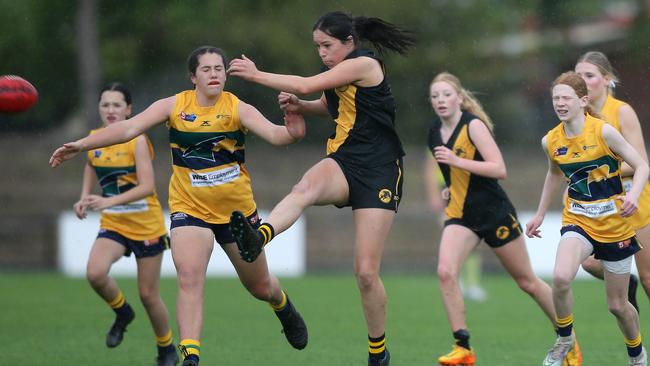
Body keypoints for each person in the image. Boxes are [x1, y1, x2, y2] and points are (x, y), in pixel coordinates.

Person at [50, 46, 308, 366]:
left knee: (260, 286)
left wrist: (294, 127)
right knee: (188, 277)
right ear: (193, 77)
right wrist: (82, 144)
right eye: (206, 69)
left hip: (236, 214)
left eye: (219, 69)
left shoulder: (237, 108)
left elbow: (277, 135)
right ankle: (190, 356)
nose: (214, 74)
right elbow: (128, 129)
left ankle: (283, 307)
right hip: (190, 208)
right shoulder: (174, 105)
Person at [226, 11, 415, 366]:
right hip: (345, 161)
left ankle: (378, 353)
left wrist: (256, 75)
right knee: (304, 188)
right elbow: (331, 107)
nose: (323, 53)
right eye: (317, 47)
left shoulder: (363, 64)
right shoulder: (338, 73)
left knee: (365, 272)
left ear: (349, 42)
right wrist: (302, 108)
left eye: (327, 46)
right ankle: (258, 236)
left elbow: (304, 83)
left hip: (380, 171)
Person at [427, 72, 581, 366]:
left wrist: (458, 162)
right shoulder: (434, 131)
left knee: (527, 282)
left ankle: (569, 338)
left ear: (459, 98)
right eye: (435, 96)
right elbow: (454, 174)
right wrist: (450, 186)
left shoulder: (473, 126)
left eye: (446, 94)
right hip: (461, 215)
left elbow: (499, 168)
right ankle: (463, 349)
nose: (440, 101)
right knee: (446, 272)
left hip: (494, 212)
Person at [526, 71, 649, 366]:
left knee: (618, 306)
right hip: (578, 220)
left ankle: (637, 355)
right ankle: (565, 338)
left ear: (582, 101)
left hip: (614, 226)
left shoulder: (604, 132)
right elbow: (554, 173)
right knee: (560, 276)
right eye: (556, 98)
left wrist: (633, 196)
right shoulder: (551, 140)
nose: (560, 103)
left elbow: (642, 166)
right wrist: (541, 213)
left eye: (566, 98)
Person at [72, 82, 178, 366]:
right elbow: (90, 164)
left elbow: (147, 186)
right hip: (115, 225)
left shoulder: (137, 139)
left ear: (129, 110)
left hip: (146, 226)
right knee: (95, 273)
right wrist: (83, 197)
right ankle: (122, 311)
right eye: (105, 104)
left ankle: (166, 347)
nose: (110, 110)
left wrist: (105, 202)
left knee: (148, 294)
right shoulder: (94, 138)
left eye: (117, 105)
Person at [575, 51, 650, 313]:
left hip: (635, 199)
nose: (583, 81)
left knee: (649, 277)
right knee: (589, 263)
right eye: (579, 76)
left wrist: (604, 172)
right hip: (603, 203)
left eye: (589, 75)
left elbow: (641, 162)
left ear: (606, 79)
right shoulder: (579, 117)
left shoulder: (621, 111)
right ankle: (627, 282)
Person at [423, 158, 487, 302]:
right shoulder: (439, 136)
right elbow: (430, 166)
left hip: (466, 186)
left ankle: (472, 284)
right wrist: (433, 195)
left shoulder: (469, 137)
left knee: (474, 236)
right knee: (453, 239)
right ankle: (457, 280)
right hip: (445, 187)